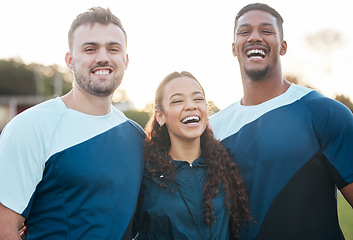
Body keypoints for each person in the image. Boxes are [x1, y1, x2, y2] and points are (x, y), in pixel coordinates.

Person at [210, 3, 353, 240]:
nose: (254, 37)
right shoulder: (213, 129)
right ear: (234, 48)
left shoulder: (325, 113)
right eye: (244, 32)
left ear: (283, 46)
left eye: (266, 31)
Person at [0, 7, 145, 239]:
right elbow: (4, 227)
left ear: (125, 60)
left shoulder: (137, 137)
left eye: (113, 48)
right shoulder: (30, 127)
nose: (103, 57)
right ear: (70, 60)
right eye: (90, 49)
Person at [133, 71, 250, 239]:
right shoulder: (144, 175)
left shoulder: (225, 168)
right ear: (160, 116)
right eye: (178, 101)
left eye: (198, 99)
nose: (190, 106)